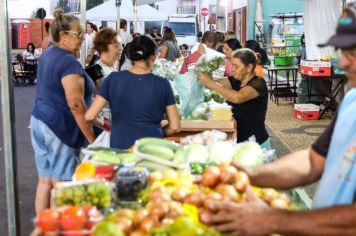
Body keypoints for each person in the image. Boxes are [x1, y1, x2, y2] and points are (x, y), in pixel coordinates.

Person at [201, 3, 356, 235]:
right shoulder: (351, 102)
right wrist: (247, 174)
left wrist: (275, 221)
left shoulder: (257, 84)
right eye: (343, 52)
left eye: (353, 53)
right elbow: (313, 161)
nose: (343, 62)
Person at [30, 8, 96, 215]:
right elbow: (76, 105)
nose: (83, 37)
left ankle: (43, 227)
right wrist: (91, 139)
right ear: (63, 35)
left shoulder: (49, 53)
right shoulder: (68, 62)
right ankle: (60, 228)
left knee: (45, 180)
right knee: (62, 183)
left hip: (39, 121)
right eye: (78, 34)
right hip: (58, 128)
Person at [85, 35, 181, 149]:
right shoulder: (162, 84)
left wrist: (107, 126)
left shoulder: (113, 79)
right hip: (152, 148)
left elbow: (89, 116)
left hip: (120, 146)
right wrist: (158, 132)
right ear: (154, 58)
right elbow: (175, 126)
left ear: (131, 56)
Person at [198, 48, 269, 148]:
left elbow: (237, 97)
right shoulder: (236, 80)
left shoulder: (258, 83)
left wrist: (210, 83)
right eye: (232, 65)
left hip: (256, 144)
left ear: (249, 67)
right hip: (239, 142)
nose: (232, 69)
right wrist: (206, 67)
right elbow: (215, 82)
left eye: (236, 66)